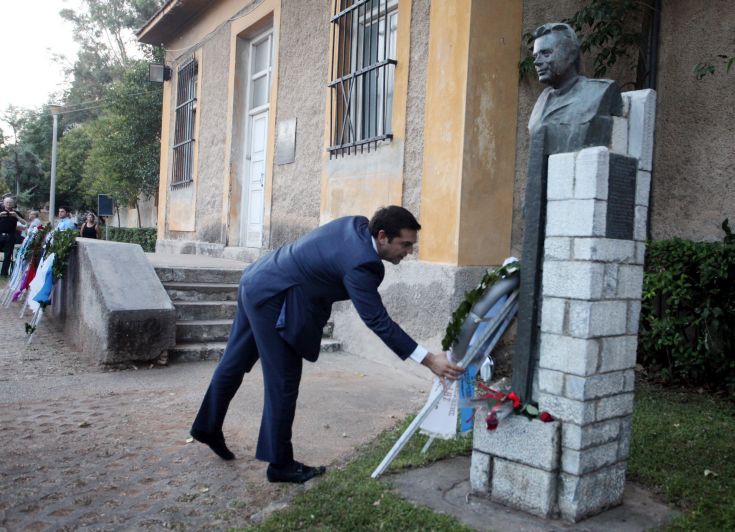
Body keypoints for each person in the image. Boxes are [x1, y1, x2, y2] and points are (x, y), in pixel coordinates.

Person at [191, 206, 464, 483]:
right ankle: (280, 464)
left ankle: (207, 426)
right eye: (405, 245)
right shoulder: (362, 264)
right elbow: (378, 321)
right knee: (283, 380)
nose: (408, 252)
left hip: (257, 279)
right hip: (274, 298)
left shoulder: (357, 225)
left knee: (234, 362)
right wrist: (429, 359)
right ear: (382, 236)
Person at [528, 22, 623, 154]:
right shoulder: (542, 101)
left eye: (546, 53)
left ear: (571, 55)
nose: (537, 62)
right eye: (535, 56)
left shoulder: (598, 92)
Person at [0, 197, 27, 277]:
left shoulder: (16, 212)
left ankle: (4, 274)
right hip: (0, 235)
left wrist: (16, 216)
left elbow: (24, 223)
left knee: (8, 255)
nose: (8, 204)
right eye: (7, 202)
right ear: (4, 203)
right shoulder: (0, 211)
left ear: (13, 204)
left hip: (10, 236)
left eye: (10, 203)